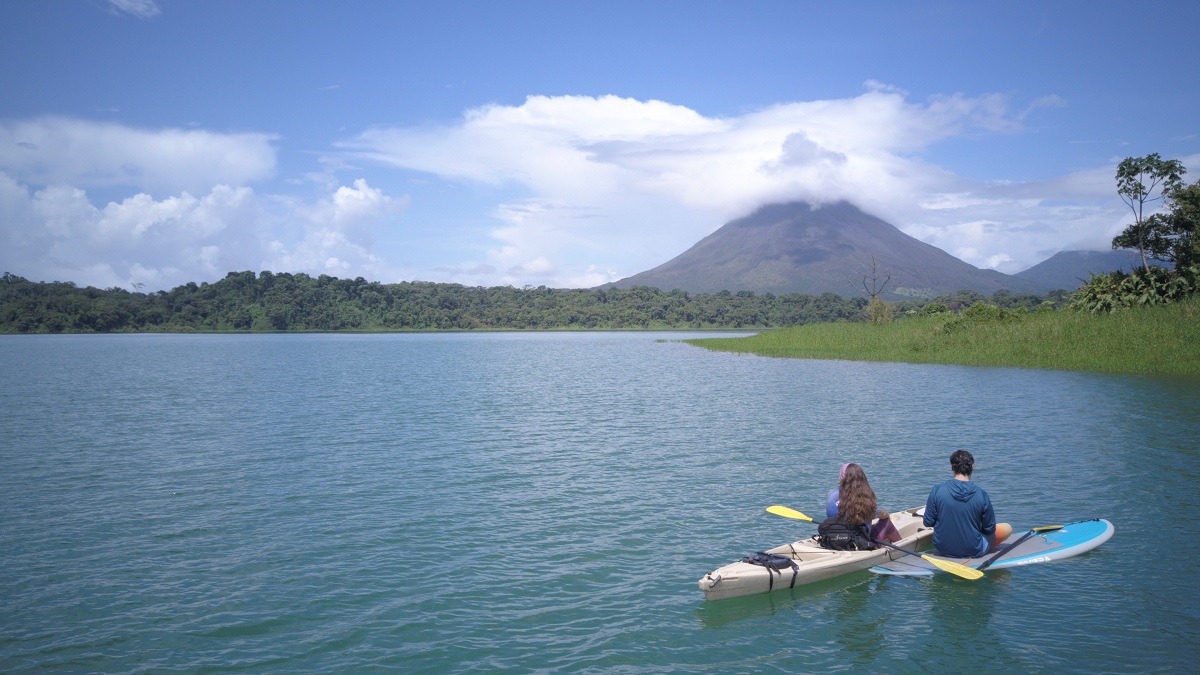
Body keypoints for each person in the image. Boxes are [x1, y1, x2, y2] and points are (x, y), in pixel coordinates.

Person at [923, 449, 1013, 557]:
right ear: (972, 467)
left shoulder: (937, 490)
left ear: (952, 467)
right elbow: (989, 528)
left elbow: (928, 522)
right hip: (974, 550)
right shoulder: (981, 494)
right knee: (1007, 528)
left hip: (942, 549)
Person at [826, 463, 901, 544]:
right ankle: (900, 544)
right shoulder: (863, 501)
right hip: (858, 544)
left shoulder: (831, 493)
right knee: (885, 521)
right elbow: (883, 515)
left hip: (835, 539)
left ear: (841, 478)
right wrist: (885, 515)